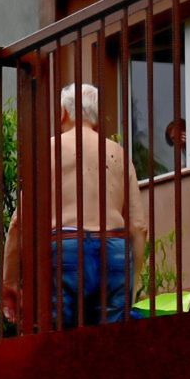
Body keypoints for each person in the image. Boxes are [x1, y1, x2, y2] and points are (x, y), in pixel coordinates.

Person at [42, 83, 147, 327]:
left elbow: (20, 221)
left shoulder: (49, 150)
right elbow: (139, 226)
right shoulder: (119, 153)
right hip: (114, 250)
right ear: (97, 117)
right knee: (109, 348)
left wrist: (10, 282)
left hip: (65, 247)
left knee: (61, 344)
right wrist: (134, 279)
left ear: (63, 113)